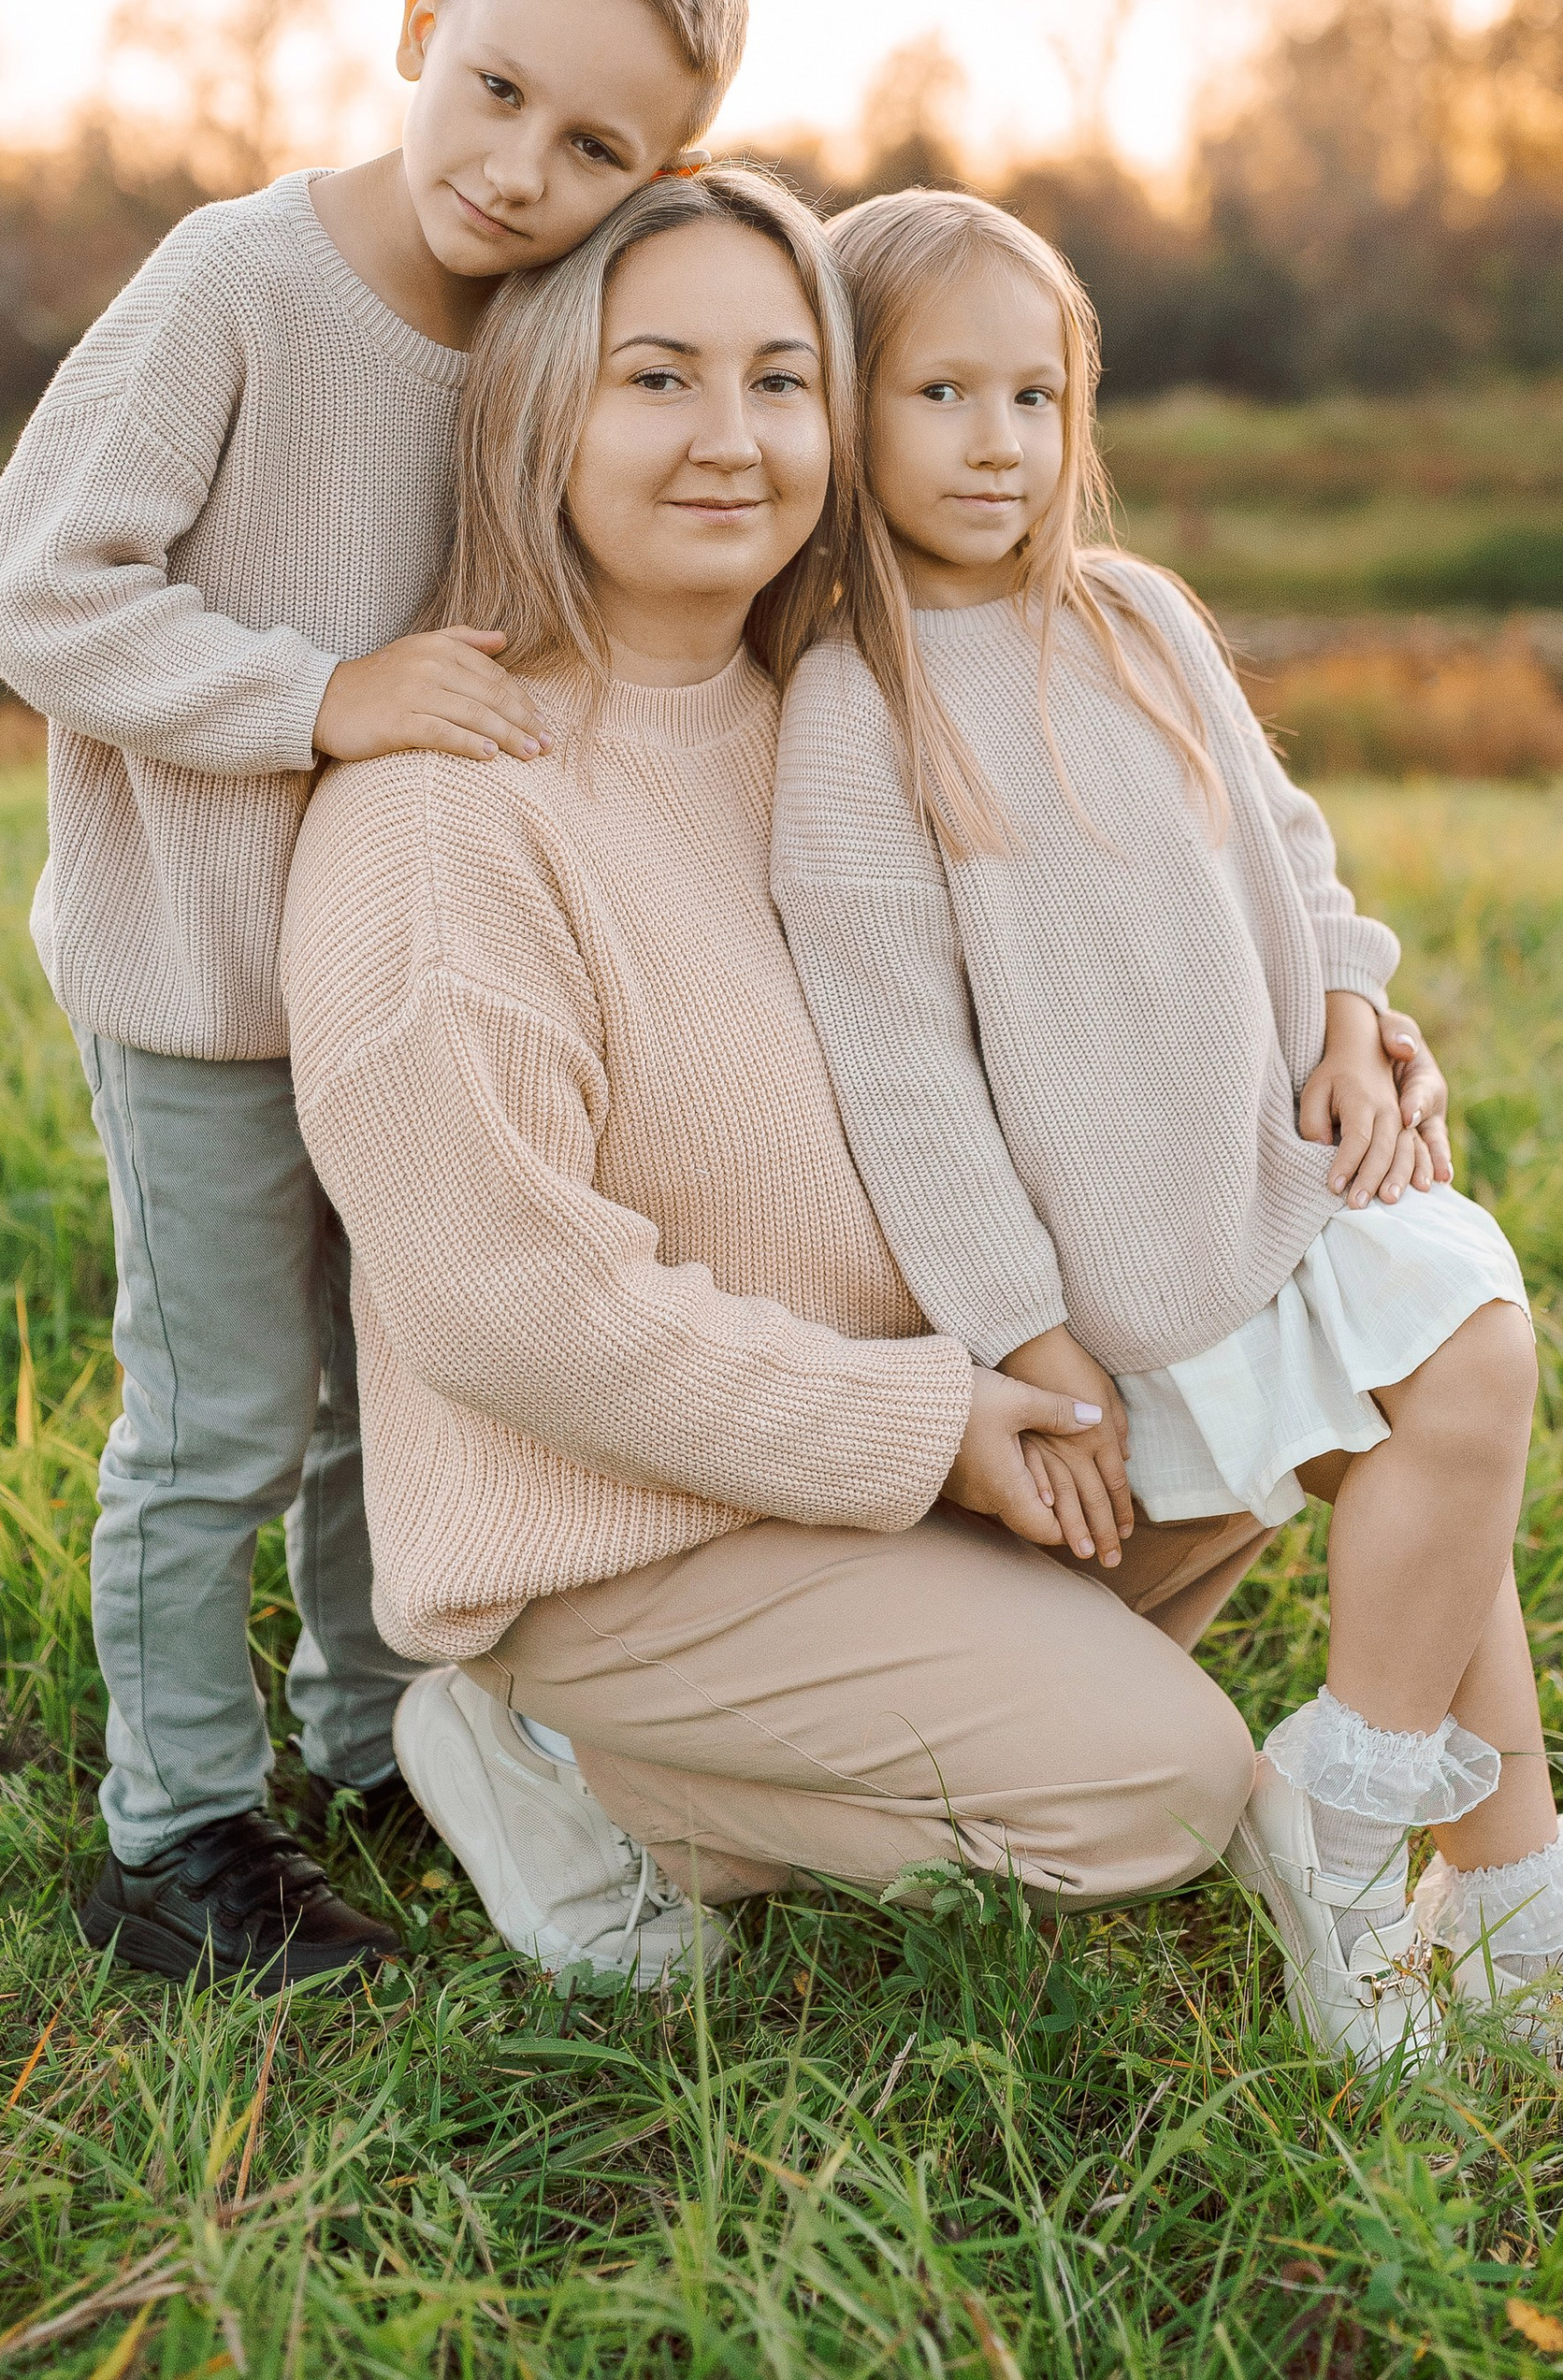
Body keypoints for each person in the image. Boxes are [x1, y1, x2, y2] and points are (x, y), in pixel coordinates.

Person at [771, 188, 1563, 2073]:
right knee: (1450, 1397)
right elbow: (896, 1069)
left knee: (1457, 1386)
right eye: (937, 394)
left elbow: (1282, 833)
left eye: (1032, 394)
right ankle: (1390, 1862)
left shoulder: (1136, 616)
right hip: (1113, 1259)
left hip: (1271, 1168)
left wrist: (1343, 1003)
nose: (995, 444)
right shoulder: (855, 702)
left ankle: (1457, 1883)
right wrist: (1019, 1328)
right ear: (842, 413)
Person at [280, 168, 1280, 1990]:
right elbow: (508, 1304)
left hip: (898, 1452)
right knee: (1160, 1783)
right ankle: (567, 1763)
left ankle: (908, 1683)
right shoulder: (445, 808)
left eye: (780, 378)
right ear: (536, 408)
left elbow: (1134, 979)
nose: (728, 439)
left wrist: (1351, 1015)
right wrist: (923, 1431)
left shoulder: (843, 709)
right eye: (655, 379)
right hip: (627, 1541)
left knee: (1275, 1387)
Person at [0, 0, 745, 1993]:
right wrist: (320, 696)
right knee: (214, 1410)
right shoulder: (238, 281)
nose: (520, 169)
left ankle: (373, 1728)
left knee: (370, 1399)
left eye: (596, 149)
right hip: (212, 981)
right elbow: (34, 587)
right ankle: (176, 1833)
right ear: (418, 22)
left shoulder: (542, 334)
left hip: (403, 989)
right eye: (494, 90)